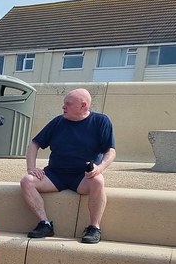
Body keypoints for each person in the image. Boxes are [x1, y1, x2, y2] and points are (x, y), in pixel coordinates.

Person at [21, 88, 115, 244]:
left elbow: (110, 151)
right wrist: (31, 168)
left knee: (98, 181)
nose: (63, 107)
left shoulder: (101, 121)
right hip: (55, 174)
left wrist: (100, 168)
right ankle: (45, 224)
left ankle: (94, 228)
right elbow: (34, 144)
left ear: (83, 105)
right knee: (27, 181)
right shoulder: (58, 122)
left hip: (83, 177)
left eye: (68, 104)